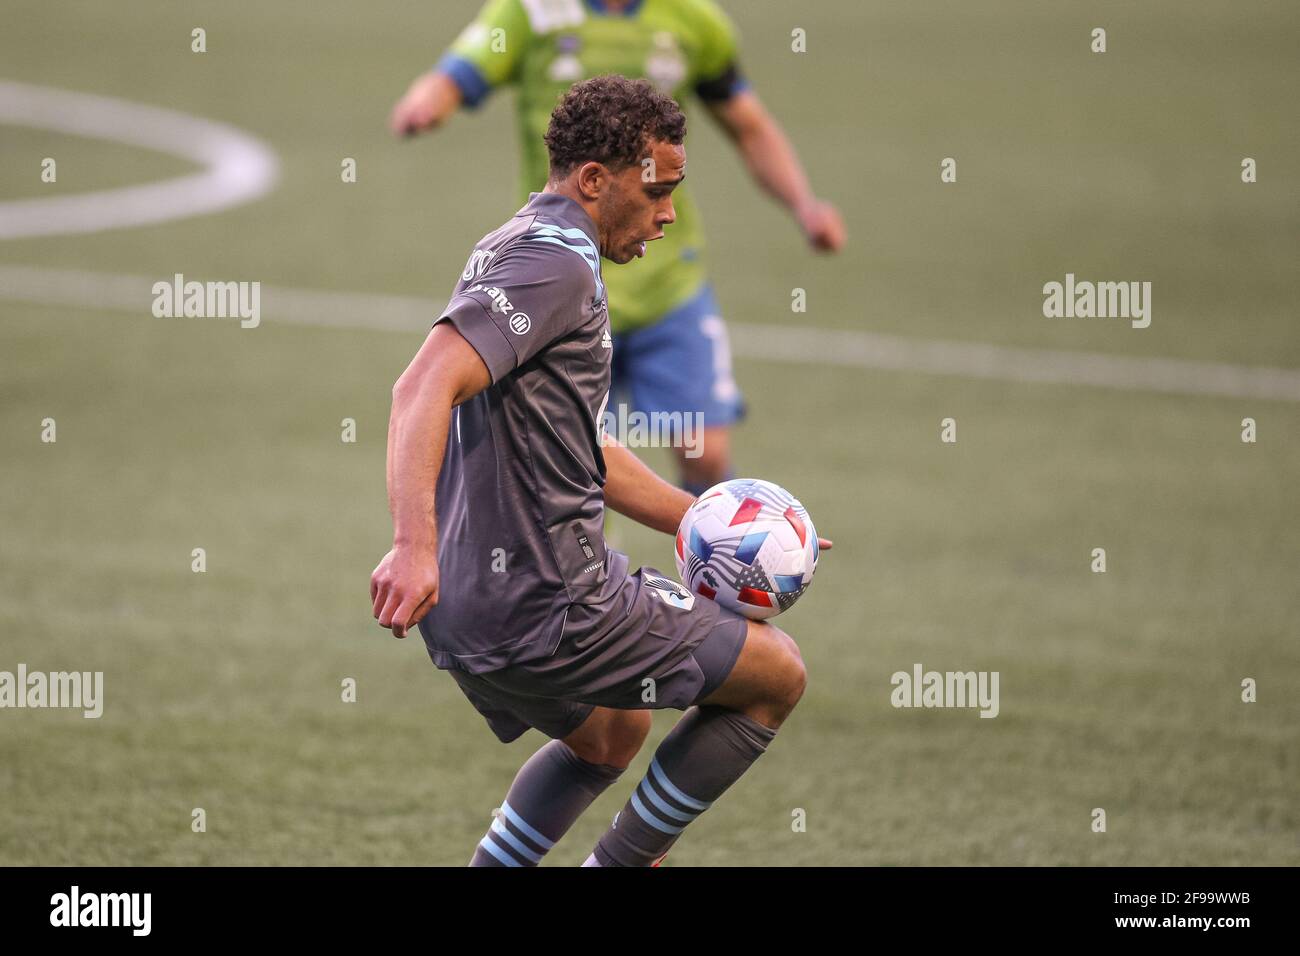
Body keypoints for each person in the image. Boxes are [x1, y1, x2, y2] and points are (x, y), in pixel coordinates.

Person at [371, 76, 829, 866]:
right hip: (551, 607)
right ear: (594, 180)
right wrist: (411, 542)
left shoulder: (513, 242)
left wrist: (694, 517)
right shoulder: (560, 269)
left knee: (614, 730)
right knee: (775, 675)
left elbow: (576, 443)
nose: (668, 214)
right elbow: (421, 384)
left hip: (468, 608)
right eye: (659, 191)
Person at [390, 0, 845, 495]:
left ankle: (712, 559)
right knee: (571, 461)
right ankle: (585, 562)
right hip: (565, 283)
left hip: (664, 279)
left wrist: (804, 205)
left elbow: (749, 124)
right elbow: (457, 71)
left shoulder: (693, 19)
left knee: (706, 451)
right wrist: (428, 102)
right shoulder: (532, 12)